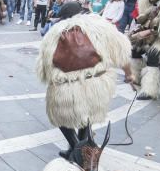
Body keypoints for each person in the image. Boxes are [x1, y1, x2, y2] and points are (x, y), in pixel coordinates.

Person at [37, 10, 131, 158]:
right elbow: (122, 51)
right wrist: (129, 74)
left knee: (60, 118)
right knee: (86, 117)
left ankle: (76, 149)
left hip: (65, 88)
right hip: (97, 86)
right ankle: (80, 150)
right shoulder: (99, 26)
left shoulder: (54, 34)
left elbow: (43, 69)